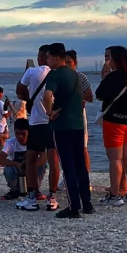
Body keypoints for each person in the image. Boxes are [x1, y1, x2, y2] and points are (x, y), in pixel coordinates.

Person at [41, 42, 93, 219]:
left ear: (56, 58)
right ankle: (87, 203)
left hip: (62, 125)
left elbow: (47, 96)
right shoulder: (76, 75)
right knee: (80, 165)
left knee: (68, 165)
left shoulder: (54, 75)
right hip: (78, 124)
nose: (46, 60)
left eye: (48, 57)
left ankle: (73, 207)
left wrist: (49, 112)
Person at [15, 45, 60, 211]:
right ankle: (52, 198)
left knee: (31, 159)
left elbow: (19, 90)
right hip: (52, 122)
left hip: (35, 122)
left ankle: (32, 197)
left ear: (40, 57)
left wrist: (30, 100)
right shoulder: (56, 73)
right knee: (53, 160)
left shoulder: (31, 72)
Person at [96, 46, 127, 204]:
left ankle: (115, 195)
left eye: (109, 57)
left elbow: (100, 94)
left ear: (116, 59)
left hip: (114, 121)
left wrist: (104, 77)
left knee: (114, 158)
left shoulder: (114, 76)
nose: (107, 61)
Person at [0, 118, 29, 199]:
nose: (20, 137)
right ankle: (14, 190)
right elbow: (0, 159)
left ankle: (35, 189)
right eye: (17, 133)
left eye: (23, 134)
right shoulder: (11, 142)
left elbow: (44, 157)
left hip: (31, 171)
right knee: (7, 168)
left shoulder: (33, 141)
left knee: (42, 165)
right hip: (17, 171)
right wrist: (16, 164)